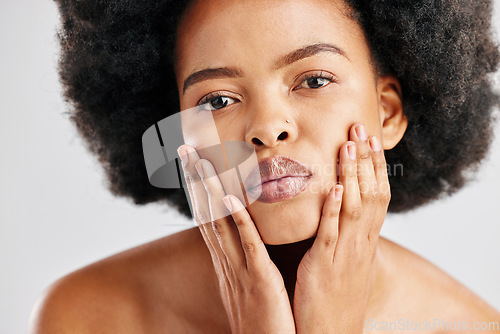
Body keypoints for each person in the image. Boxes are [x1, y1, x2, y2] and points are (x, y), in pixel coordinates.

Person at [29, 0, 500, 332]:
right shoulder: (89, 317)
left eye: (313, 79)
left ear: (389, 112)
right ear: (179, 133)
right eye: (217, 99)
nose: (267, 128)